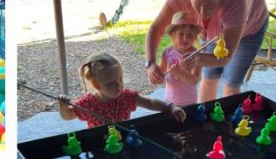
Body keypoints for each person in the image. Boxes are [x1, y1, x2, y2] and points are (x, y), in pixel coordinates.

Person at [146, 0, 269, 103]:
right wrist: (150, 63)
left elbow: (225, 57)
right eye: (197, 5)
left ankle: (228, 121)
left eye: (209, 5)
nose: (203, 12)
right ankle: (203, 118)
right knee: (209, 77)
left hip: (251, 29)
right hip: (215, 30)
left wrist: (198, 59)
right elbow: (156, 28)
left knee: (231, 81)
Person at [58, 52, 186, 128]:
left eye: (120, 79)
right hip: (100, 144)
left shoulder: (126, 96)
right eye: (111, 83)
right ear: (97, 85)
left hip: (126, 138)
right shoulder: (88, 103)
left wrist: (170, 107)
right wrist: (63, 107)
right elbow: (69, 115)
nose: (118, 85)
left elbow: (151, 103)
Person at [158, 11, 202, 107]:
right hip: (170, 100)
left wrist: (180, 73)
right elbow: (161, 70)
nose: (185, 38)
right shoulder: (167, 52)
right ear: (173, 35)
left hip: (189, 102)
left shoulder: (197, 55)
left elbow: (194, 81)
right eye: (181, 34)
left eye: (190, 34)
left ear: (195, 37)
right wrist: (156, 76)